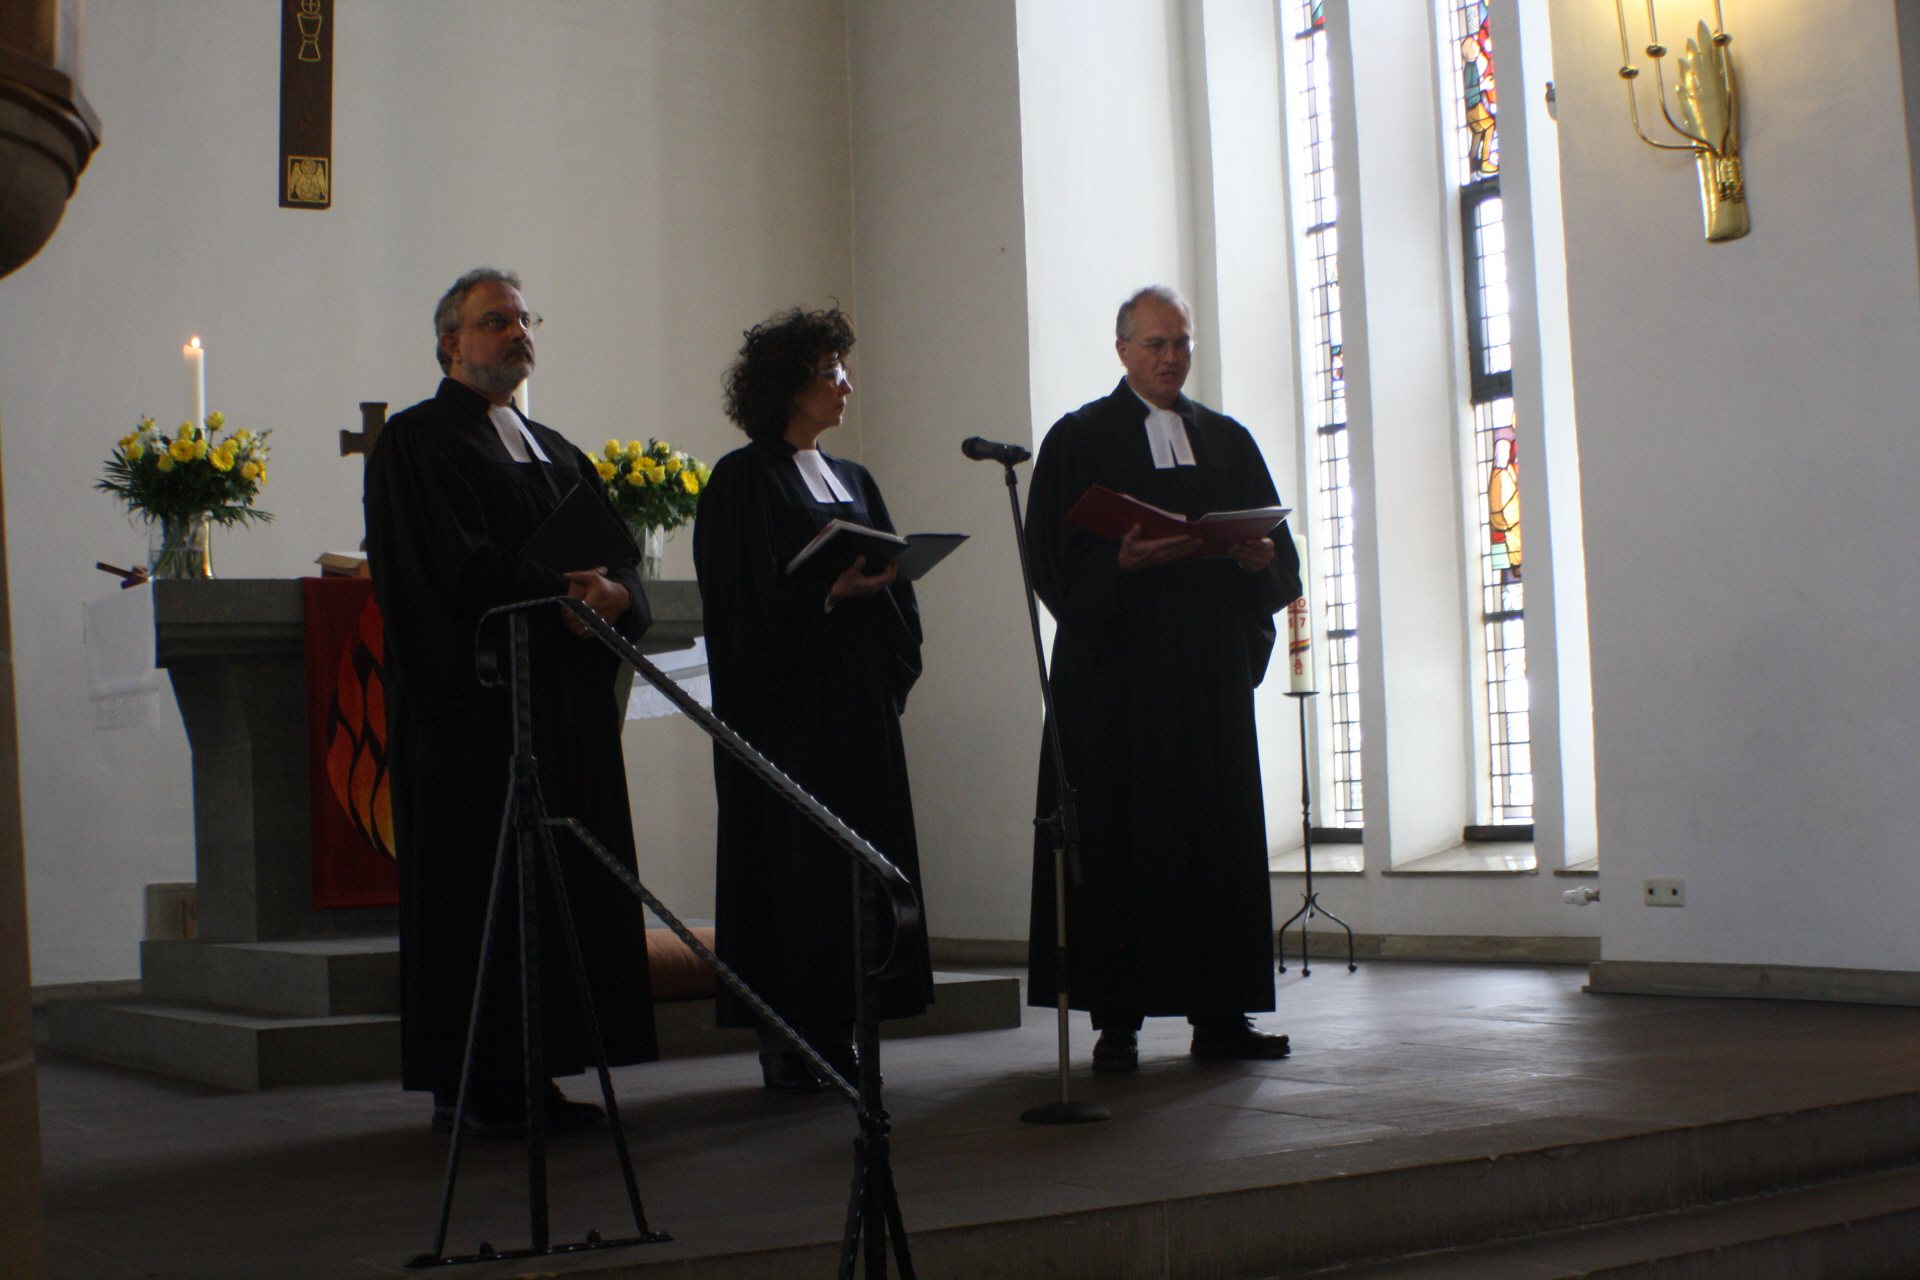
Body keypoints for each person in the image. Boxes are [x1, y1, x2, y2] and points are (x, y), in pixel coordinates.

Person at [365, 268, 657, 1135]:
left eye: (525, 320)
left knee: (560, 886)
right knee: (482, 890)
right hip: (479, 712)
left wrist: (616, 596)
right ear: (450, 343)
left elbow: (621, 557)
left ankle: (542, 1070)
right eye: (495, 321)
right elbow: (448, 568)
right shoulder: (416, 442)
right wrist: (562, 588)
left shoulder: (555, 449)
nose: (517, 333)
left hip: (564, 709)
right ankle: (475, 1084)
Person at [1025, 285, 1303, 1072]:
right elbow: (1049, 554)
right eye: (1156, 344)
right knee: (1123, 844)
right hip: (1119, 682)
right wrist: (1118, 563)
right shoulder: (1080, 437)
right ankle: (1117, 1023)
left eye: (1181, 343)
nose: (1171, 357)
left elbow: (1279, 552)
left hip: (1205, 679)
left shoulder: (1227, 439)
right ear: (1122, 350)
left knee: (1213, 842)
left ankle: (1222, 1017)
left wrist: (1257, 558)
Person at [693, 305, 933, 1093]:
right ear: (789, 385)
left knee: (858, 873)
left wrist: (880, 590)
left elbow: (896, 597)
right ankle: (790, 1039)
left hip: (858, 710)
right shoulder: (742, 480)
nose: (846, 385)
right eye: (831, 372)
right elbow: (739, 608)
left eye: (843, 369)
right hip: (788, 718)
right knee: (797, 876)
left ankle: (849, 1028)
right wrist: (825, 595)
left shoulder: (855, 480)